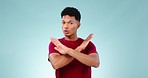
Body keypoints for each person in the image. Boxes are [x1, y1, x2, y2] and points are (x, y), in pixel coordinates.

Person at [48, 7, 100, 78]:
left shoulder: (88, 44)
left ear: (78, 25)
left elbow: (96, 63)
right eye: (63, 22)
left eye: (71, 23)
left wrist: (68, 51)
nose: (65, 26)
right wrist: (79, 49)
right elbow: (56, 64)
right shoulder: (56, 44)